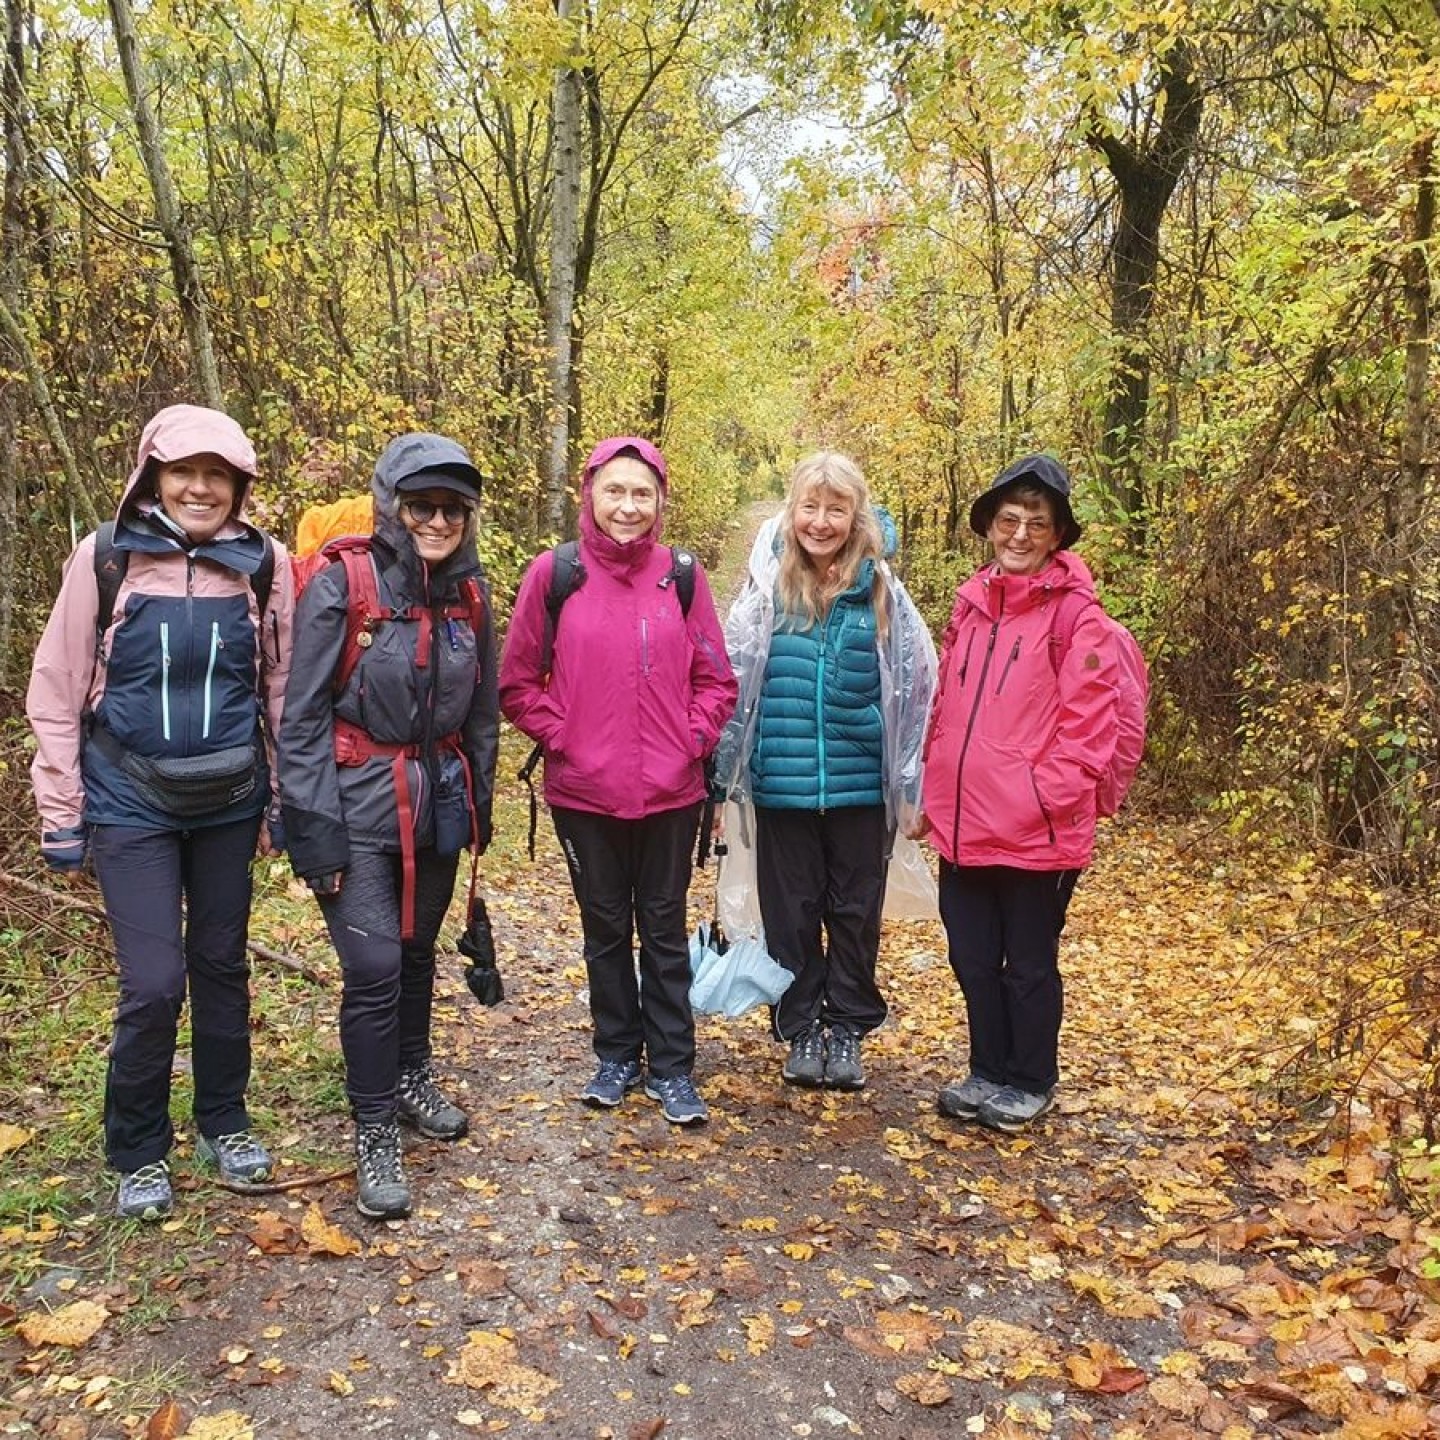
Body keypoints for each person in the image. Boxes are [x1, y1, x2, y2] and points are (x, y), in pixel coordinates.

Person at [26, 404, 295, 1220]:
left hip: (228, 797)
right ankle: (138, 1148)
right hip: (127, 798)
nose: (201, 489)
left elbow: (281, 692)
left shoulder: (264, 564)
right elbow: (58, 685)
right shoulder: (105, 558)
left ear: (240, 487)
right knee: (153, 982)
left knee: (221, 965)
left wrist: (283, 801)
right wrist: (61, 806)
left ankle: (225, 1119)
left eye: (218, 475)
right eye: (185, 473)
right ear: (154, 477)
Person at [278, 433, 498, 1219]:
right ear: (393, 507)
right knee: (371, 965)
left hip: (437, 796)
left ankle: (411, 1077)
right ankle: (374, 1129)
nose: (438, 520)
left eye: (453, 508)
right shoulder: (343, 585)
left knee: (413, 954)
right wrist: (311, 828)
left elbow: (482, 712)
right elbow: (299, 718)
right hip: (355, 799)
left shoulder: (472, 596)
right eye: (423, 505)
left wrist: (480, 807)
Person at [499, 436, 736, 1126]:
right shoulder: (556, 573)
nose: (628, 507)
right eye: (615, 491)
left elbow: (717, 679)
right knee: (604, 928)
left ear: (659, 500)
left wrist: (689, 740)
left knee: (662, 929)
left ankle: (672, 1066)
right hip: (585, 793)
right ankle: (615, 1055)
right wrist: (566, 738)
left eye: (641, 493)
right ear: (590, 496)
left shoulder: (683, 577)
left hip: (669, 792)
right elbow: (517, 682)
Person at [716, 452, 936, 1092]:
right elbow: (734, 684)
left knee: (854, 912)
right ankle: (800, 1025)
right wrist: (721, 777)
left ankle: (847, 1026)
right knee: (790, 913)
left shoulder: (881, 592)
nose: (821, 521)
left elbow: (917, 684)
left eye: (835, 509)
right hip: (781, 785)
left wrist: (908, 782)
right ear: (792, 512)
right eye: (809, 507)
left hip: (860, 788)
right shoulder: (765, 589)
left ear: (854, 515)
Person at [919, 454, 1120, 1132]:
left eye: (1038, 521)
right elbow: (946, 706)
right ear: (990, 527)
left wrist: (1038, 800)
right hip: (962, 823)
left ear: (1058, 533)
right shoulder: (971, 604)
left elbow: (1090, 734)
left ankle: (1029, 1079)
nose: (1021, 533)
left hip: (1038, 832)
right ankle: (987, 1070)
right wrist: (932, 789)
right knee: (972, 957)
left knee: (1026, 966)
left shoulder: (1077, 619)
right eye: (1010, 519)